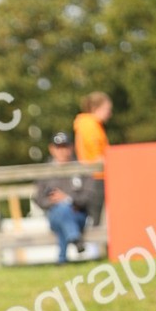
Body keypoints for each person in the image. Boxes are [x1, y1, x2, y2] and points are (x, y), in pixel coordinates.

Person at [33, 133, 95, 264]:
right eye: (58, 147)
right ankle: (74, 238)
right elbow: (38, 199)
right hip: (54, 216)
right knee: (61, 211)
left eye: (65, 147)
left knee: (64, 213)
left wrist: (68, 199)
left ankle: (62, 259)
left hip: (78, 215)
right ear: (52, 149)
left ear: (71, 147)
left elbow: (88, 197)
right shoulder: (44, 172)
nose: (62, 151)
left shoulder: (81, 169)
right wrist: (53, 201)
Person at [73, 92, 112, 225]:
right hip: (96, 176)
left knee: (99, 218)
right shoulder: (90, 125)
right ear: (96, 108)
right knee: (98, 219)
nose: (109, 113)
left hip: (96, 175)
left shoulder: (91, 124)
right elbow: (95, 153)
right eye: (107, 109)